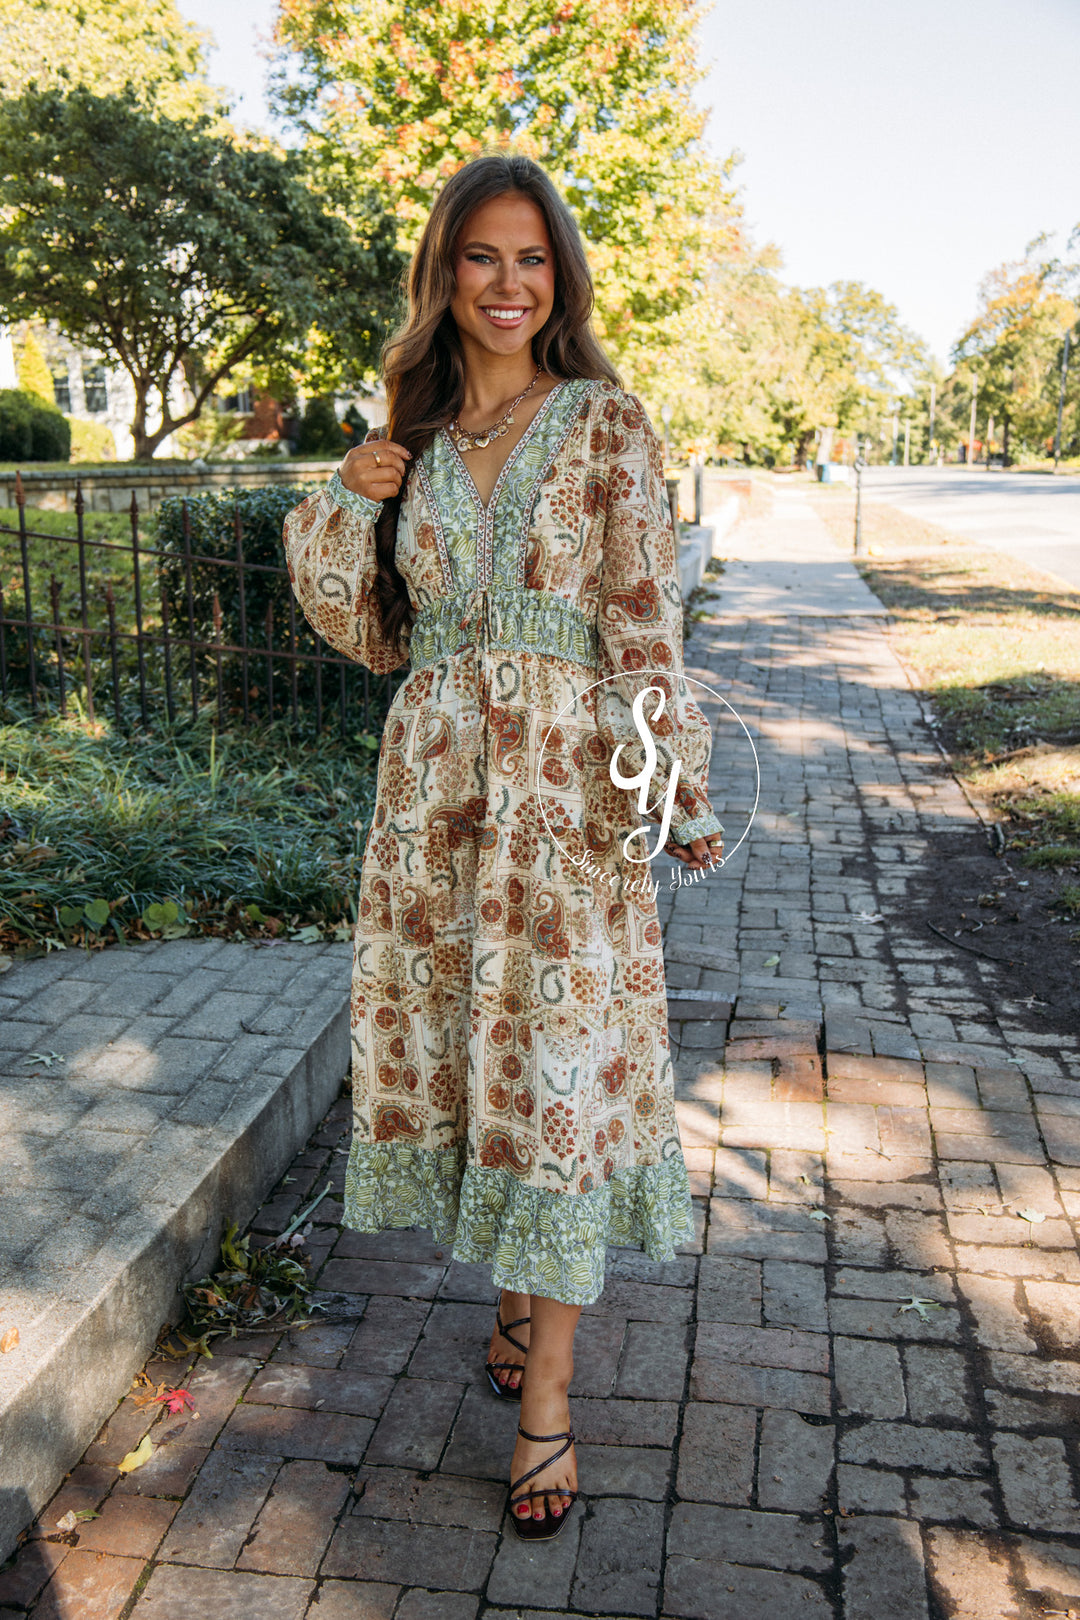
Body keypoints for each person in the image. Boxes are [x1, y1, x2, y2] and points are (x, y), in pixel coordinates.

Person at [282, 152, 724, 1541]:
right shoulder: (407, 441)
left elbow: (641, 613)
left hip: (564, 798)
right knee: (484, 1060)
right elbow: (367, 634)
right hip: (432, 801)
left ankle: (548, 1403)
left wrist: (672, 785)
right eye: (484, 256)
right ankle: (515, 1306)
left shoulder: (602, 422)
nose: (510, 283)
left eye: (534, 259)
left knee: (558, 1071)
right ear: (445, 272)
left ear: (561, 279)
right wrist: (350, 496)